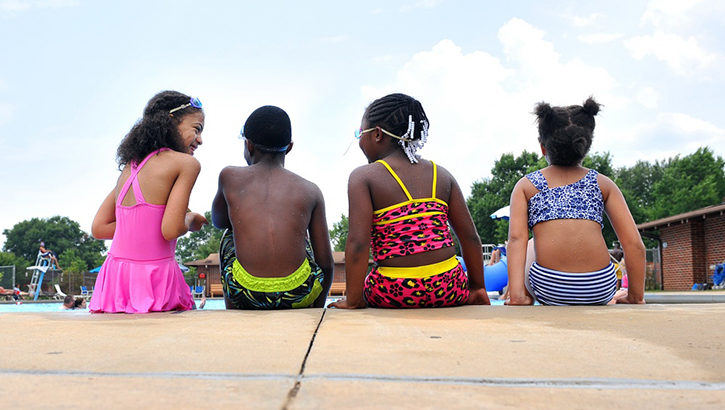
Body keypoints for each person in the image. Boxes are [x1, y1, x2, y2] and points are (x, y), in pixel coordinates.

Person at [331, 93, 490, 309]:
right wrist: (477, 288)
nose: (359, 139)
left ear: (377, 134)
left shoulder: (363, 177)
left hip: (393, 291)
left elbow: (358, 244)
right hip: (450, 288)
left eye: (361, 132)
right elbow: (470, 237)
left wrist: (353, 300)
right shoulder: (441, 175)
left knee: (373, 282)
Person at [506, 97, 645, 306]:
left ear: (543, 148)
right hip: (600, 288)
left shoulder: (527, 185)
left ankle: (520, 296)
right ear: (585, 146)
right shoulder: (603, 184)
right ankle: (611, 299)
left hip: (550, 289)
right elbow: (634, 244)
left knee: (530, 243)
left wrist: (516, 296)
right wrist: (636, 297)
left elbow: (516, 240)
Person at [89, 91, 207, 313]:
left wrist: (142, 226)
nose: (200, 139)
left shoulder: (130, 166)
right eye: (196, 129)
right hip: (155, 279)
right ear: (171, 123)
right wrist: (191, 219)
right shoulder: (187, 164)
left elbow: (100, 227)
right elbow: (171, 229)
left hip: (115, 281)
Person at [211, 105, 333, 309]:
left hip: (246, 293)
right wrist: (317, 306)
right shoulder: (311, 190)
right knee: (304, 238)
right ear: (290, 147)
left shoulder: (230, 177)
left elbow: (219, 221)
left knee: (229, 235)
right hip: (298, 294)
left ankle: (232, 309)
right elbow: (326, 263)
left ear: (248, 145)